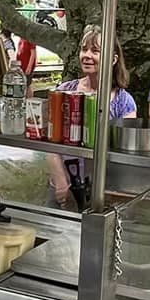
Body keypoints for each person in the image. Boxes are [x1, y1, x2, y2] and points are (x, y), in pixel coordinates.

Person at [48, 27, 135, 206]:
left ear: (113, 59)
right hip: (62, 187)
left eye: (95, 51)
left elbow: (124, 153)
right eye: (84, 49)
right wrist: (61, 182)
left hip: (102, 191)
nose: (87, 55)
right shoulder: (63, 92)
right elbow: (50, 143)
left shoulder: (124, 102)